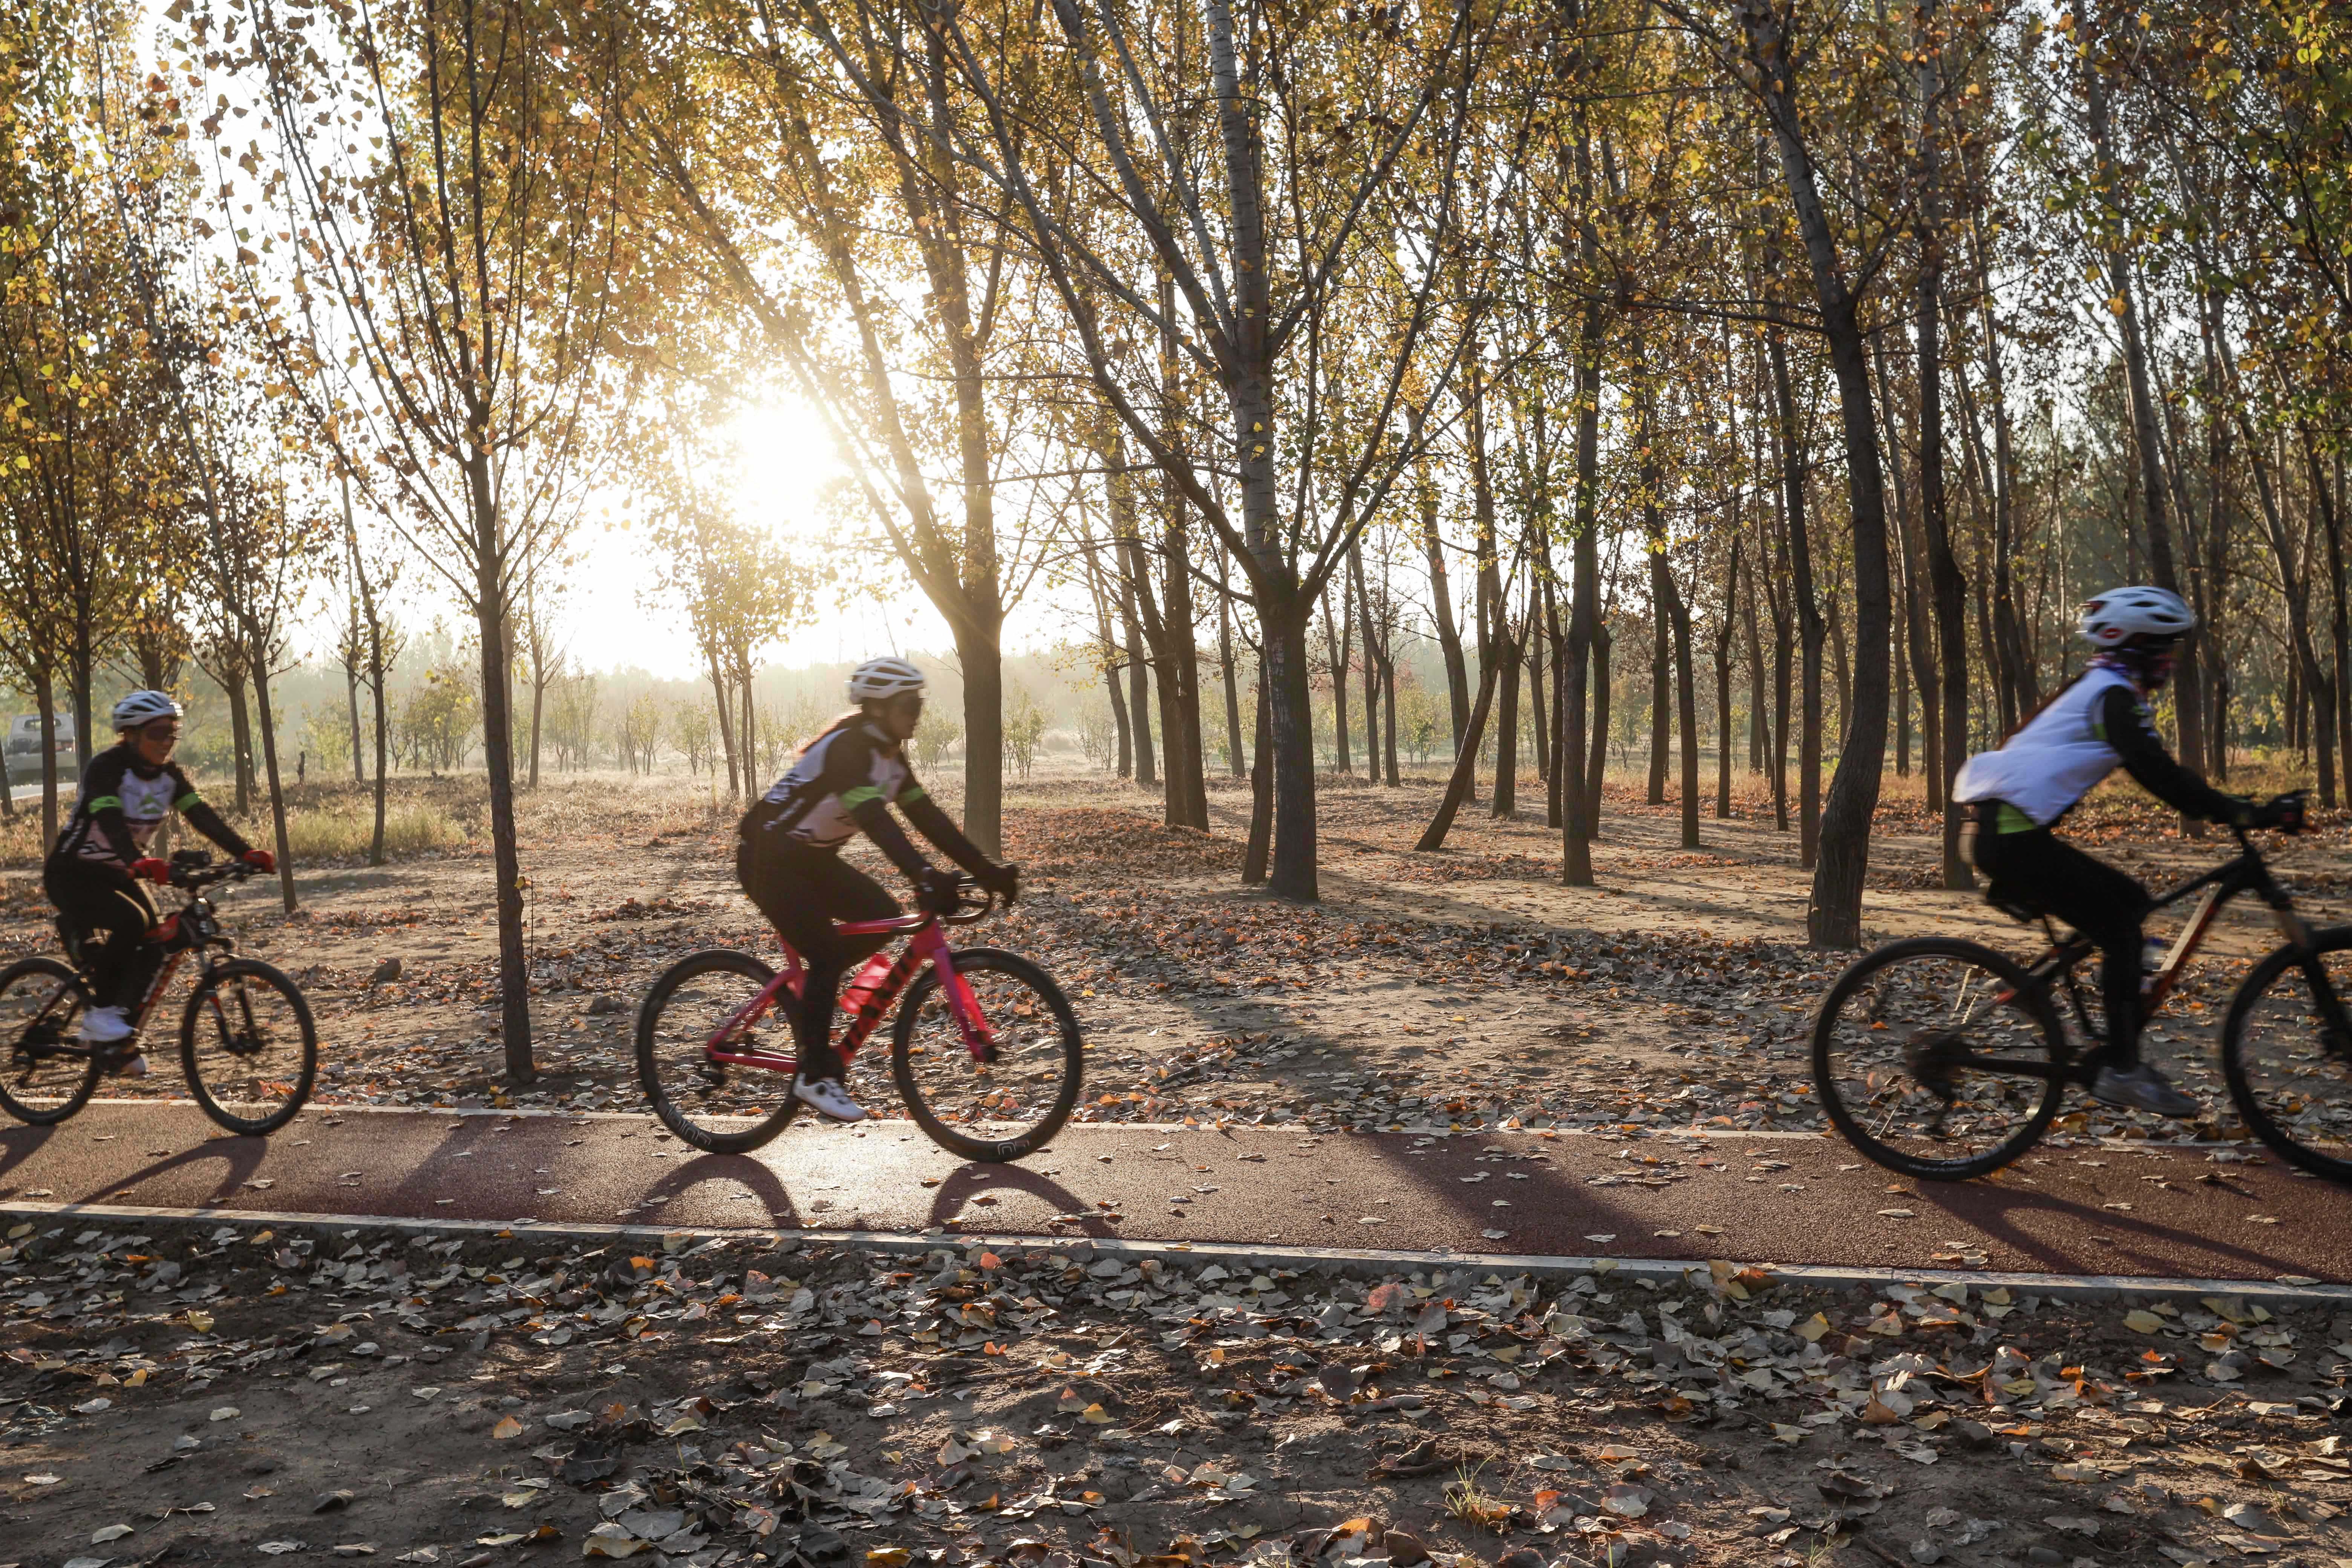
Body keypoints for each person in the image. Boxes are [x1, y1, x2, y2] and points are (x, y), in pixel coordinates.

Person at [1953, 586, 2292, 1118]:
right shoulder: (2112, 698)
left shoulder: (2102, 689)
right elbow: (2161, 777)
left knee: (2131, 903)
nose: (2170, 660)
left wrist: (2233, 807)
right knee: (2123, 927)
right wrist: (2247, 812)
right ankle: (2123, 1070)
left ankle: (2039, 992)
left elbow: (2161, 776)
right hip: (2011, 839)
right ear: (2133, 645)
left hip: (2008, 834)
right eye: (2163, 648)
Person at [737, 657, 1017, 1122]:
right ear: (881, 706)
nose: (918, 712)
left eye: (919, 703)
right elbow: (877, 822)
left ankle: (814, 1000)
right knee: (827, 952)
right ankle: (813, 1074)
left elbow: (927, 818)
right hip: (768, 861)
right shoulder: (849, 749)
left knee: (882, 915)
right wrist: (924, 875)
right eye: (910, 703)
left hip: (810, 860)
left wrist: (985, 869)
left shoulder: (890, 756)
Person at [46, 692, 274, 1073]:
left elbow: (202, 815)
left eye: (172, 733)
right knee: (132, 922)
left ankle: (119, 1041)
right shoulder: (107, 768)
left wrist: (245, 852)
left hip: (118, 873)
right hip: (72, 873)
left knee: (154, 934)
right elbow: (110, 821)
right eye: (158, 732)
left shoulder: (169, 777)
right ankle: (101, 1016)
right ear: (131, 735)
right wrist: (140, 861)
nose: (167, 741)